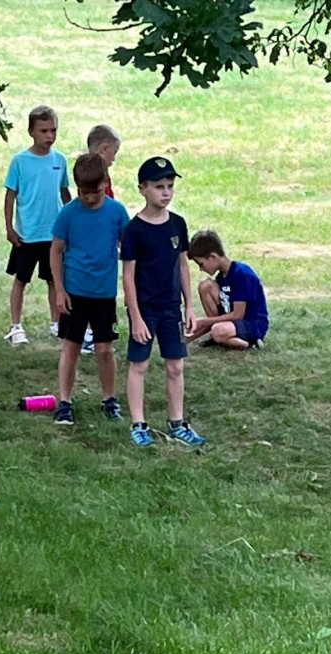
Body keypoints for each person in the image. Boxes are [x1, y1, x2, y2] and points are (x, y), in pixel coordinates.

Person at [121, 156, 205, 447]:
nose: (166, 192)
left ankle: (177, 423)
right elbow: (128, 276)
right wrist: (136, 316)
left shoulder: (178, 224)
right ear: (142, 189)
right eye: (159, 187)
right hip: (145, 308)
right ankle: (138, 424)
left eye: (170, 186)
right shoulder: (133, 230)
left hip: (171, 308)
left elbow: (183, 266)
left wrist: (189, 306)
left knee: (176, 366)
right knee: (140, 365)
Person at [50, 153, 130, 426]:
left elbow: (129, 249)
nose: (89, 198)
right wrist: (60, 290)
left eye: (95, 191)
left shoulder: (117, 212)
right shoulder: (68, 213)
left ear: (105, 183)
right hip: (75, 292)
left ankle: (109, 399)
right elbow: (56, 251)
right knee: (71, 347)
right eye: (84, 192)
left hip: (104, 293)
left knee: (104, 349)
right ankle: (65, 402)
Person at [3, 105, 71, 345]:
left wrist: (73, 222)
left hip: (53, 235)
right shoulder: (20, 161)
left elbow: (64, 192)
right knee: (21, 279)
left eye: (53, 130)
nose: (49, 136)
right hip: (27, 235)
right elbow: (10, 195)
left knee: (54, 280)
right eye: (44, 131)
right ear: (31, 131)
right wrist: (10, 228)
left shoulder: (60, 160)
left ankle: (56, 322)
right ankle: (16, 326)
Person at [186, 230, 269, 350]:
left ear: (213, 257)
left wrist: (205, 321)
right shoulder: (222, 276)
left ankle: (252, 343)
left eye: (201, 264)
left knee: (217, 330)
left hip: (251, 324)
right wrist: (186, 340)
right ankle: (219, 336)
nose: (201, 269)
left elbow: (238, 315)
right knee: (205, 286)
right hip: (232, 323)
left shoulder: (241, 274)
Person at [80, 124, 122, 355]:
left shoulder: (102, 175)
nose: (114, 158)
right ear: (105, 149)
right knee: (90, 285)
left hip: (106, 237)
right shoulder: (94, 177)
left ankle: (96, 331)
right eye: (114, 153)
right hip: (96, 239)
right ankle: (89, 333)